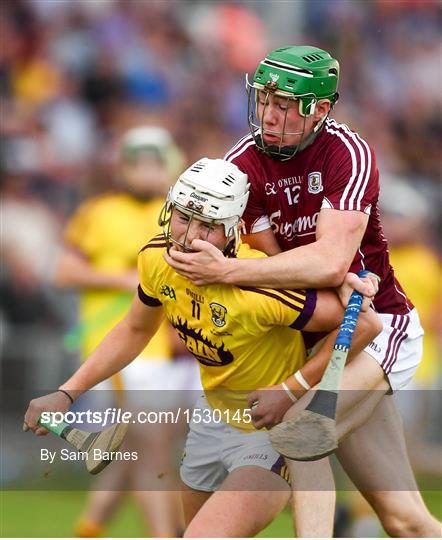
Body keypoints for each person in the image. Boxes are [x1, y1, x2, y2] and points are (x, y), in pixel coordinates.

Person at [164, 46, 441, 536]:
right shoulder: (241, 163)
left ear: (321, 110)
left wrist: (229, 274)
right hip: (318, 332)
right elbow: (275, 266)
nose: (269, 115)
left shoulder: (348, 153)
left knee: (297, 430)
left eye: (284, 105)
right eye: (265, 100)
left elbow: (329, 260)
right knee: (405, 523)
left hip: (377, 329)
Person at [25, 158, 382, 538]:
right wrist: (67, 393)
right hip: (210, 422)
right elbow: (133, 329)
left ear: (234, 230)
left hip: (267, 433)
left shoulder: (260, 284)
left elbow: (364, 324)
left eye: (208, 226)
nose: (189, 237)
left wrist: (290, 388)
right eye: (183, 218)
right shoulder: (156, 258)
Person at [55, 125, 197, 538]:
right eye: (140, 163)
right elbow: (65, 271)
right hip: (121, 353)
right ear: (124, 166)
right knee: (150, 447)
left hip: (172, 352)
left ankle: (88, 530)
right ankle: (168, 534)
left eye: (156, 163)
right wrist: (126, 280)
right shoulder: (98, 212)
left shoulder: (177, 216)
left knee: (138, 451)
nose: (148, 172)